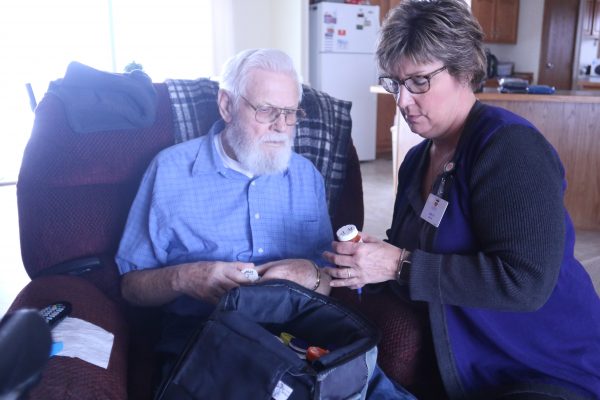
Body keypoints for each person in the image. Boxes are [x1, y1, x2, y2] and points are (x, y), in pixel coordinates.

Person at [323, 1, 600, 399]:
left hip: (542, 365)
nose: (402, 101)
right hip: (463, 363)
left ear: (464, 71)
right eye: (394, 83)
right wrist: (359, 267)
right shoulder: (418, 160)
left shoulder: (508, 148)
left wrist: (399, 264)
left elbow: (526, 283)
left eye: (419, 81)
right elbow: (411, 261)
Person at [116, 48, 414, 399]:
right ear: (226, 106)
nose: (281, 126)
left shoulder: (306, 177)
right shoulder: (169, 171)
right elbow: (130, 287)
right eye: (267, 110)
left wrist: (311, 274)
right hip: (206, 338)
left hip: (301, 335)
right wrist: (185, 277)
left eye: (290, 113)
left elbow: (326, 281)